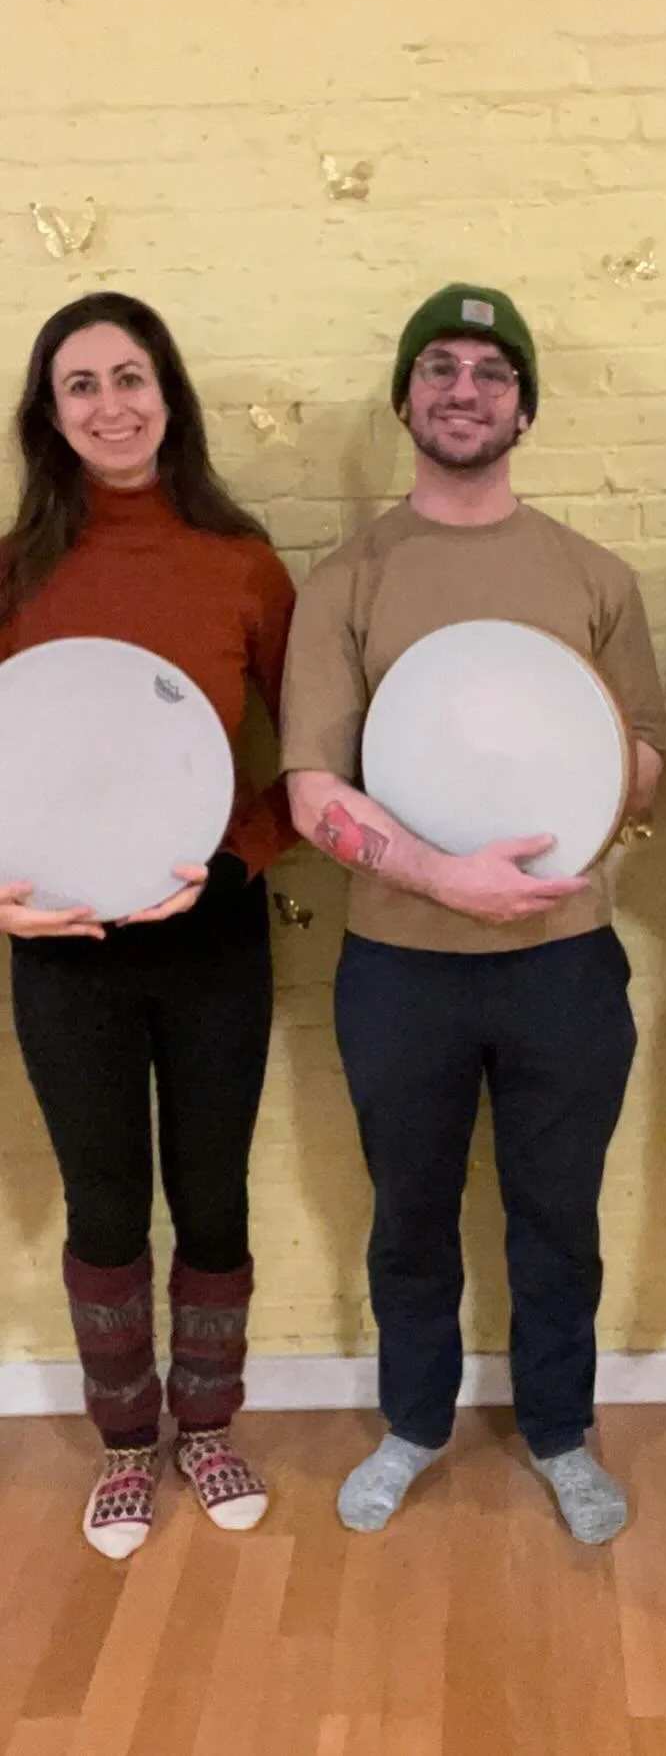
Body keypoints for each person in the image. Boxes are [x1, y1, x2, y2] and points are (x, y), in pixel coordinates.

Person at [280, 283, 666, 1544]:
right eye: (438, 367)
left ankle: (561, 1431)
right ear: (405, 398)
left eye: (490, 371)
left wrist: (596, 783)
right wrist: (442, 876)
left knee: (559, 1211)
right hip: (401, 965)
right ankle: (412, 1421)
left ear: (525, 406)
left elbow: (650, 751)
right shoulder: (348, 579)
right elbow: (311, 789)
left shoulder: (592, 576)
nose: (462, 388)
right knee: (409, 1208)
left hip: (563, 959)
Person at [0, 293, 297, 1557]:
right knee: (105, 1201)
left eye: (132, 377)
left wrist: (236, 852)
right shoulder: (13, 573)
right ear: (49, 417)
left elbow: (321, 769)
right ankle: (128, 1444)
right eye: (82, 385)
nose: (111, 404)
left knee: (214, 1189)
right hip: (62, 949)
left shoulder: (242, 565)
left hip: (210, 932)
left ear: (168, 397)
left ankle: (209, 1426)